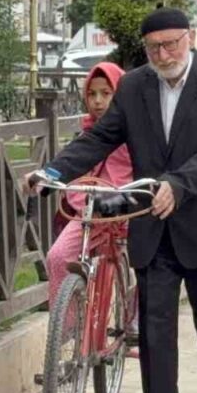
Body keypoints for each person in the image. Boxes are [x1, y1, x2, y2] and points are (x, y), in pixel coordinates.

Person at [29, 7, 197, 393]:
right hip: (153, 219)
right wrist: (55, 172)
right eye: (153, 47)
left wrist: (178, 184)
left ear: (190, 39)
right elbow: (101, 137)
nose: (163, 54)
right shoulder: (132, 86)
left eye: (171, 44)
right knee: (155, 317)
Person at [45, 62, 132, 301]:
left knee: (146, 261)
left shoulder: (135, 131)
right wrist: (46, 176)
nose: (97, 101)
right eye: (91, 94)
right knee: (58, 257)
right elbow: (70, 161)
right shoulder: (87, 132)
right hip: (88, 207)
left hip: (127, 204)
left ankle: (134, 314)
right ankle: (67, 329)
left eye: (106, 93)